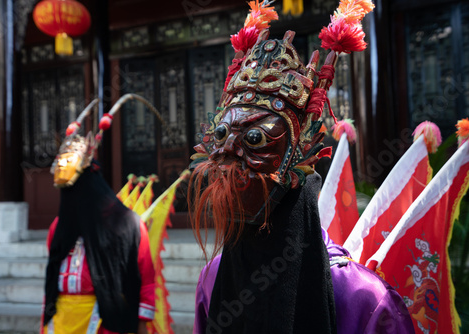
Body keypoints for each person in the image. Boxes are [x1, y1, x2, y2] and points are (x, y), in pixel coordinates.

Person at [188, 1, 415, 333]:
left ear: (302, 153)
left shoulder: (360, 296)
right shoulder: (212, 278)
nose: (227, 153)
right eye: (221, 134)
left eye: (254, 138)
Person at [41, 125, 155, 333]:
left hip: (104, 323)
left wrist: (141, 325)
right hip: (60, 321)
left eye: (75, 189)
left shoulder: (128, 225)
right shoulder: (57, 227)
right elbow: (51, 277)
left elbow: (145, 280)